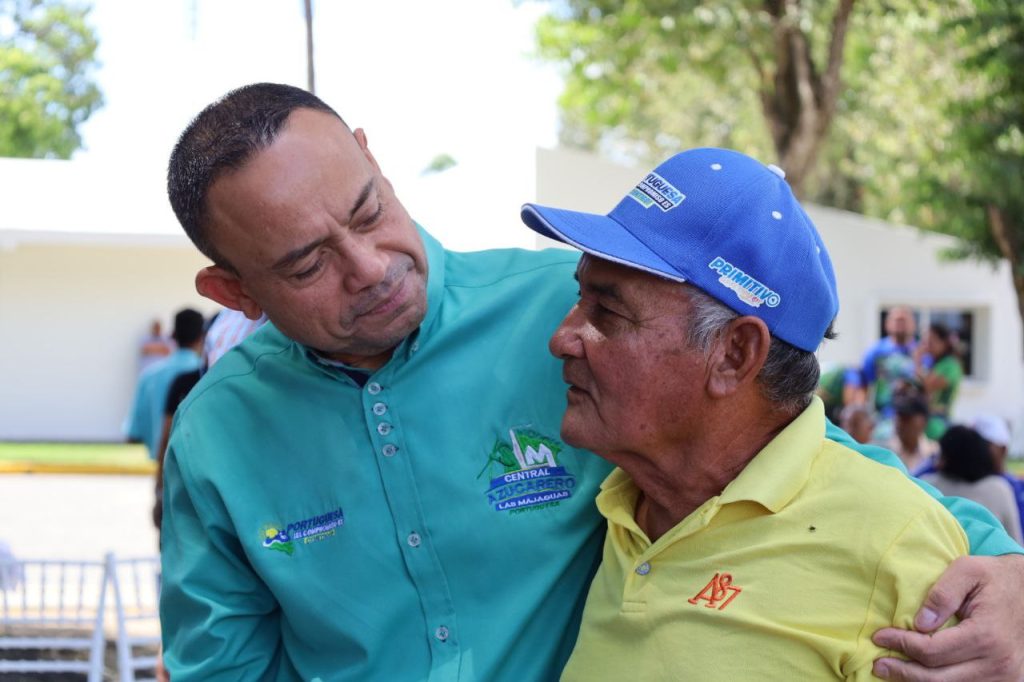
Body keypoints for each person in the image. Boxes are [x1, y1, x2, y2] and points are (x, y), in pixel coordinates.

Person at [159, 83, 1024, 681]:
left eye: (368, 210)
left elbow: (802, 464)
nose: (370, 266)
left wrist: (1009, 574)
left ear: (371, 157)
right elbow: (222, 666)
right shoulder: (217, 437)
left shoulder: (577, 314)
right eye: (308, 264)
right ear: (233, 293)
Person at [523, 148, 969, 680]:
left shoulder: (894, 543)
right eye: (580, 300)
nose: (562, 338)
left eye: (608, 312)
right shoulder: (620, 498)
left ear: (734, 355)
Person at [125, 308, 205, 459]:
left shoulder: (149, 376)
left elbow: (133, 434)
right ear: (203, 336)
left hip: (162, 464)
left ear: (173, 334)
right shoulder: (208, 376)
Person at [921, 426, 1022, 545]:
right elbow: (1016, 543)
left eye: (942, 455)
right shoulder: (999, 488)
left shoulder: (928, 485)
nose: (937, 462)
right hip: (992, 556)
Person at [848, 306, 918, 433]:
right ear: (887, 324)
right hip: (882, 420)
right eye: (897, 320)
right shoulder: (875, 352)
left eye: (904, 320)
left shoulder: (921, 353)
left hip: (913, 419)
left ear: (913, 325)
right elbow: (864, 385)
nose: (900, 324)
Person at [971, 414, 1024, 536]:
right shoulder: (956, 479)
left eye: (985, 445)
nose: (976, 450)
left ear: (1003, 449)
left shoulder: (1014, 487)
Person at [915, 322, 963, 440]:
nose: (926, 346)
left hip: (938, 424)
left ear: (944, 342)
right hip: (926, 421)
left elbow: (928, 386)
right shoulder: (932, 363)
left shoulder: (950, 365)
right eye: (924, 341)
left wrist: (917, 361)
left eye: (931, 341)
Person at [885, 393, 939, 474]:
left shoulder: (934, 454)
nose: (900, 424)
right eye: (899, 418)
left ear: (923, 421)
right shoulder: (885, 449)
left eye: (907, 418)